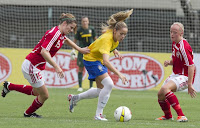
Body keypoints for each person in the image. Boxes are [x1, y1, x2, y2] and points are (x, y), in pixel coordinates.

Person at [1, 13, 90, 118]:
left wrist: (79, 49)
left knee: (36, 92)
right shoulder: (54, 33)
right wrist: (56, 67)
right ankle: (28, 114)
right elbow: (44, 51)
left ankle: (9, 86)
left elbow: (65, 40)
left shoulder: (60, 34)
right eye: (71, 28)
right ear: (65, 23)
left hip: (36, 65)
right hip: (32, 65)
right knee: (44, 95)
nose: (71, 30)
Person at [68, 9, 133, 121]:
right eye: (121, 34)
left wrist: (115, 50)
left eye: (125, 34)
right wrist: (120, 74)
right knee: (109, 84)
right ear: (115, 31)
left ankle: (75, 98)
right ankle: (98, 115)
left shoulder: (114, 38)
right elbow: (106, 61)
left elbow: (109, 47)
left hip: (96, 60)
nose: (123, 36)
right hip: (91, 60)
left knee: (100, 90)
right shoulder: (107, 40)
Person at [155, 22, 196, 122]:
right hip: (176, 74)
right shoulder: (174, 43)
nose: (172, 34)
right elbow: (178, 59)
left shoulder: (183, 47)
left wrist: (190, 84)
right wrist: (169, 62)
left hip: (185, 76)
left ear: (181, 33)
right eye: (171, 32)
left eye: (175, 32)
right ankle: (168, 116)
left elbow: (191, 66)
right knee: (160, 94)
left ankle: (181, 116)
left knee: (165, 89)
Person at [71, 16, 97, 92]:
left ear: (88, 22)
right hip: (81, 51)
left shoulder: (91, 29)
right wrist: (73, 50)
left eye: (86, 21)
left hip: (90, 52)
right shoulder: (79, 30)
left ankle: (91, 87)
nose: (85, 23)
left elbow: (96, 39)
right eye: (83, 21)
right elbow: (75, 41)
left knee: (91, 69)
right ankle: (80, 86)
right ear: (81, 22)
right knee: (80, 68)